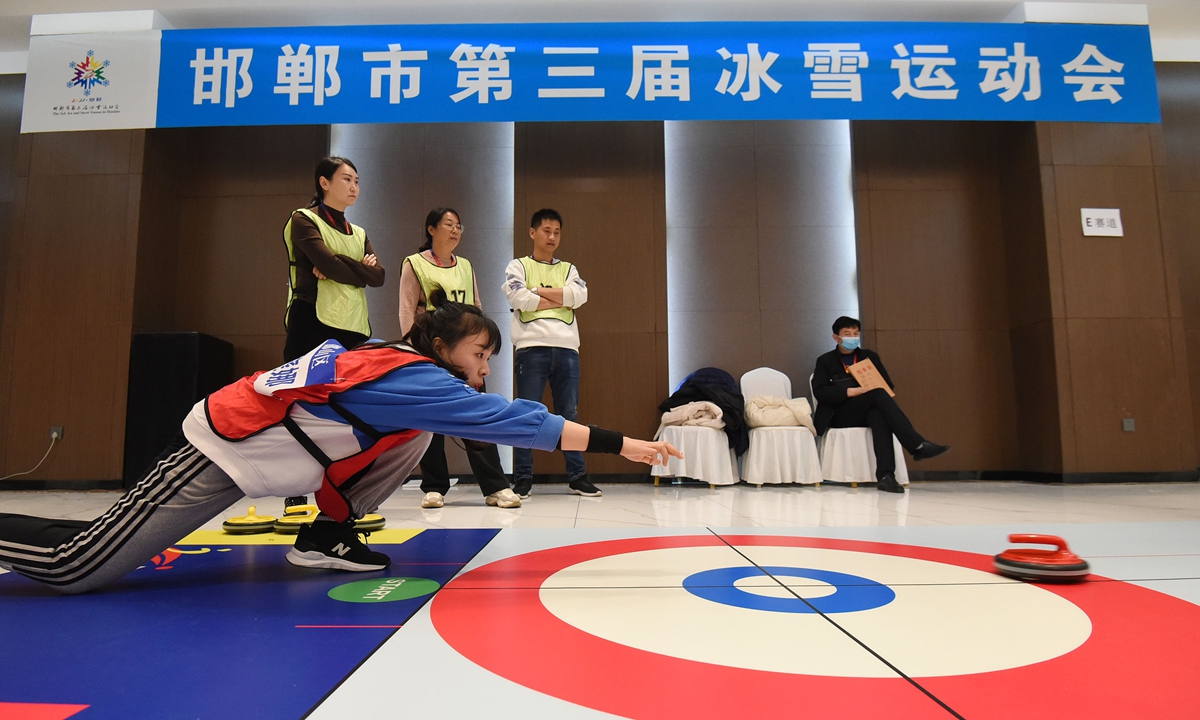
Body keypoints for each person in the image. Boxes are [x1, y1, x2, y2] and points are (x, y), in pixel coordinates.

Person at [0, 292, 682, 595]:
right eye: (479, 353)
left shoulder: (407, 375)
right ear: (441, 347)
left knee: (412, 440)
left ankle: (325, 535)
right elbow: (516, 422)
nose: (484, 367)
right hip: (225, 446)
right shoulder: (414, 378)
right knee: (78, 565)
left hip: (270, 459)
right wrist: (623, 444)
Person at [279, 156, 384, 514]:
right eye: (346, 179)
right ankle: (293, 490)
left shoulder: (360, 233)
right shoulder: (302, 219)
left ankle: (347, 489)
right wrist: (347, 267)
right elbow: (331, 267)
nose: (354, 186)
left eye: (357, 181)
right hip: (311, 320)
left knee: (351, 406)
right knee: (299, 403)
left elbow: (378, 277)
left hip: (353, 326)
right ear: (324, 182)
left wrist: (340, 264)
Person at [399, 208, 515, 509]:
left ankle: (495, 487)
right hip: (430, 353)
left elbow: (476, 306)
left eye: (459, 226)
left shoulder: (465, 265)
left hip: (466, 357)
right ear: (431, 229)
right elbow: (407, 310)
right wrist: (414, 354)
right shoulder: (414, 264)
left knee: (479, 417)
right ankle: (434, 487)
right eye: (448, 224)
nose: (455, 230)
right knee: (430, 421)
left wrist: (481, 349)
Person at [503, 208, 598, 499]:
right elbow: (519, 297)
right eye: (546, 231)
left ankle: (578, 476)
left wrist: (538, 294)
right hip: (531, 348)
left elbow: (579, 296)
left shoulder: (569, 268)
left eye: (557, 232)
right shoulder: (517, 265)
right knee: (526, 414)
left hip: (568, 349)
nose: (552, 237)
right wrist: (559, 299)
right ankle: (522, 479)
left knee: (569, 414)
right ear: (533, 233)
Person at [811, 316, 949, 493]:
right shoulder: (825, 360)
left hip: (868, 409)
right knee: (876, 394)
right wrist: (850, 391)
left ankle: (886, 476)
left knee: (878, 414)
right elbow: (820, 391)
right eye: (847, 334)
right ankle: (916, 444)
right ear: (836, 337)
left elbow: (887, 386)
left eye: (855, 334)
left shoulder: (869, 357)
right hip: (841, 414)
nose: (852, 337)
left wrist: (869, 388)